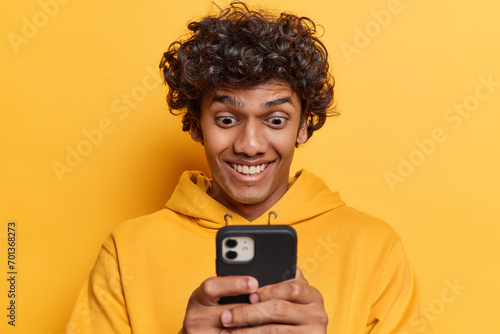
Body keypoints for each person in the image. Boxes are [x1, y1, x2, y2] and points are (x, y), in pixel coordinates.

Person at [66, 2, 432, 333]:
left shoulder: (375, 248)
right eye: (226, 120)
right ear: (195, 125)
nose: (250, 146)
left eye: (276, 120)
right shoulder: (126, 251)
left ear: (304, 125)